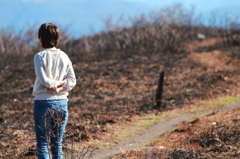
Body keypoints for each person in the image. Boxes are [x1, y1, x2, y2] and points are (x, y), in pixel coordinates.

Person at [32, 23, 76, 159]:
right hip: (62, 102)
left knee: (43, 143)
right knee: (57, 144)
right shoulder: (64, 56)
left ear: (41, 38)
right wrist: (61, 86)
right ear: (57, 38)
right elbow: (72, 81)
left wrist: (54, 87)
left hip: (43, 103)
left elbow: (44, 81)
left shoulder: (39, 56)